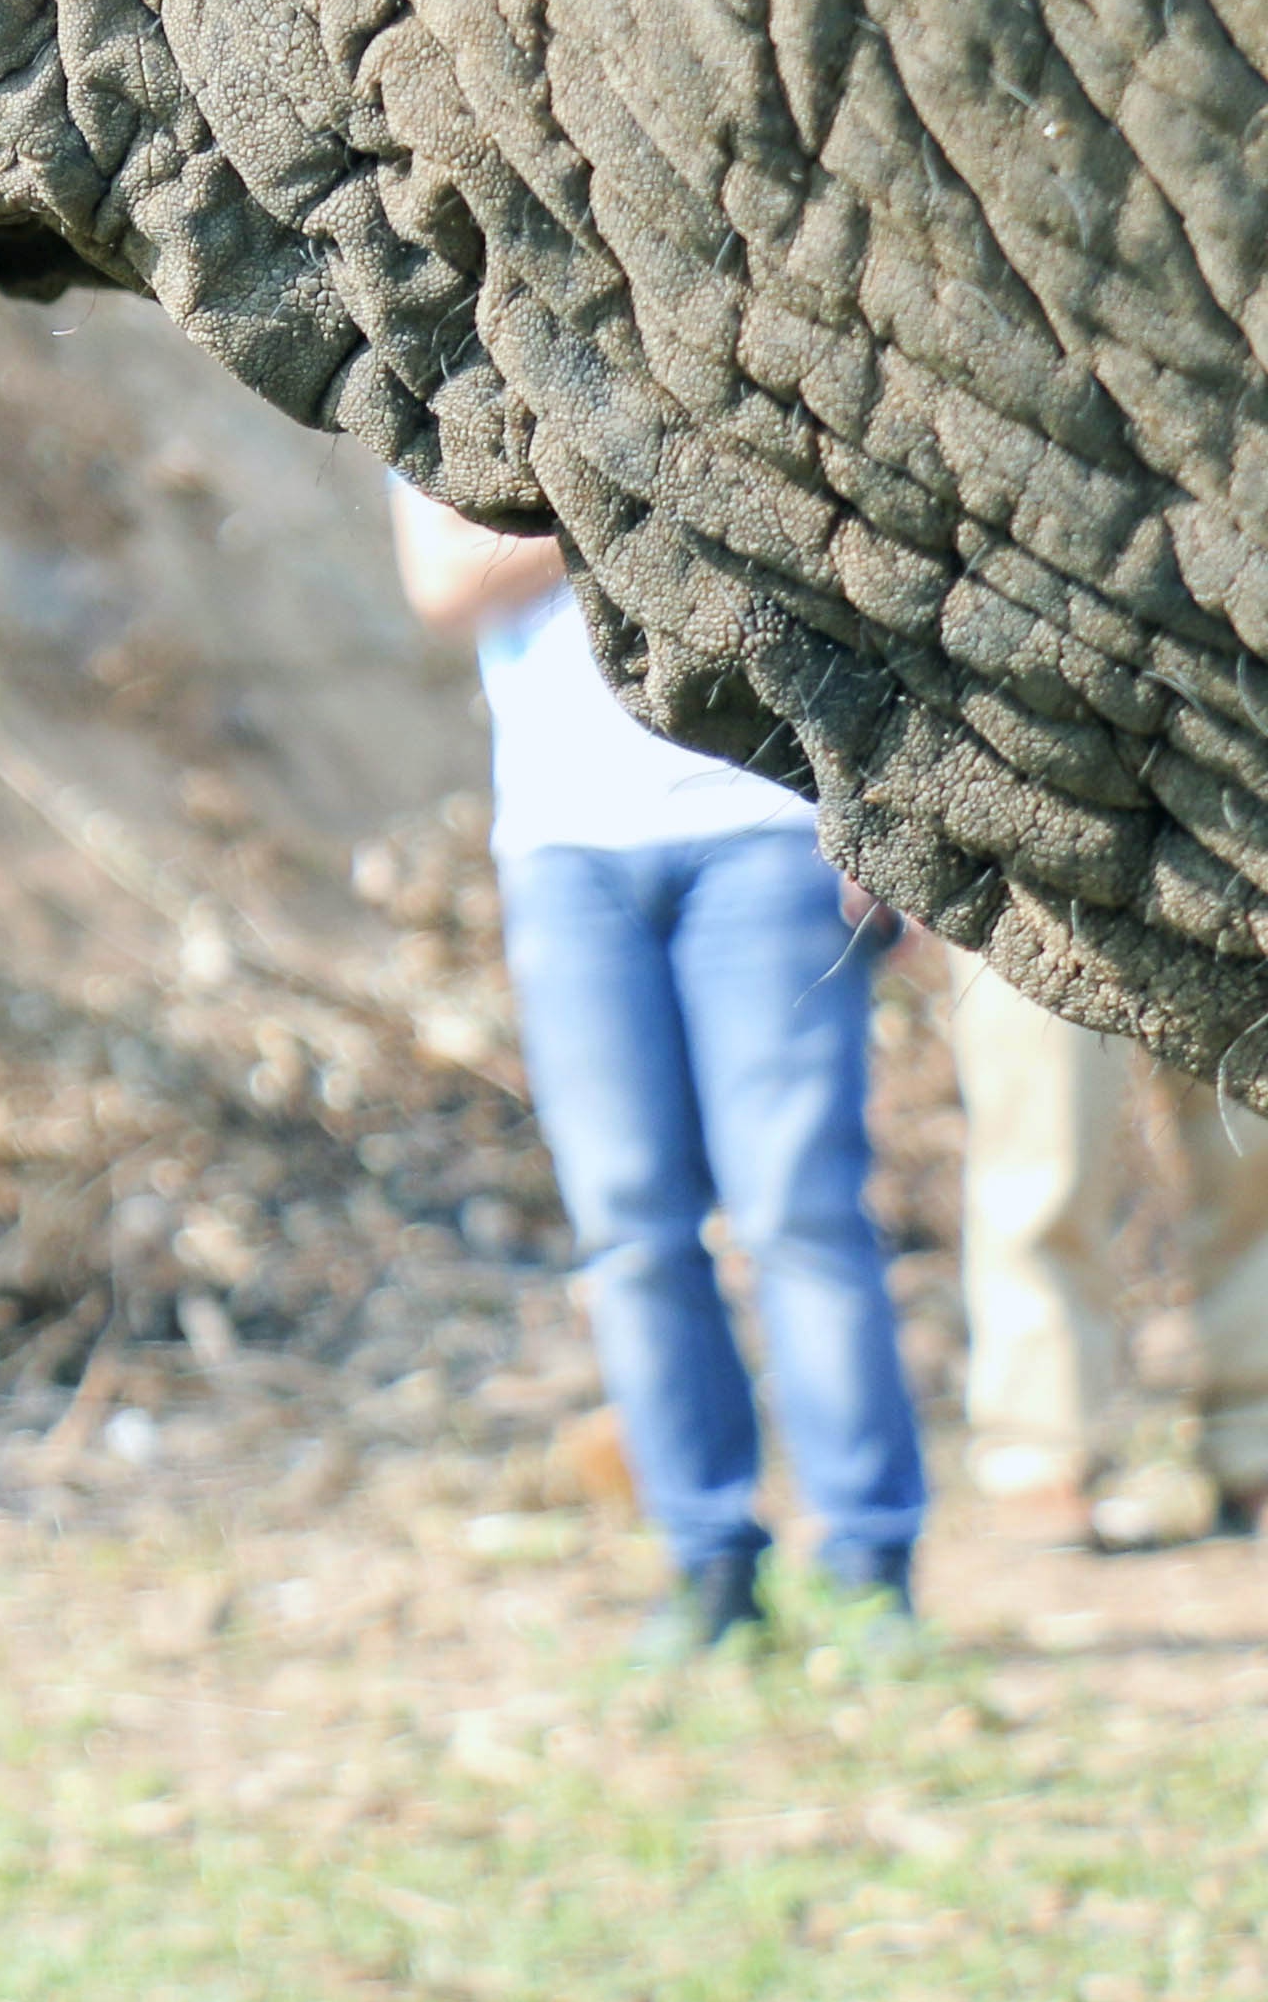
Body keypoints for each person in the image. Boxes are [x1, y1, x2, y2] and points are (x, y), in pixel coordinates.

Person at [390, 488, 924, 1657]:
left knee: (799, 1208)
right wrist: (620, 487)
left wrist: (884, 811)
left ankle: (868, 1563)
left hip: (768, 825)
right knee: (629, 1226)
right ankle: (708, 1563)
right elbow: (441, 579)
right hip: (563, 850)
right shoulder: (452, 395)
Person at [948, 957, 1268, 1548]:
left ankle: (1257, 1442)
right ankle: (1039, 1449)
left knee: (1255, 1149)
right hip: (1043, 900)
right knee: (1039, 1153)